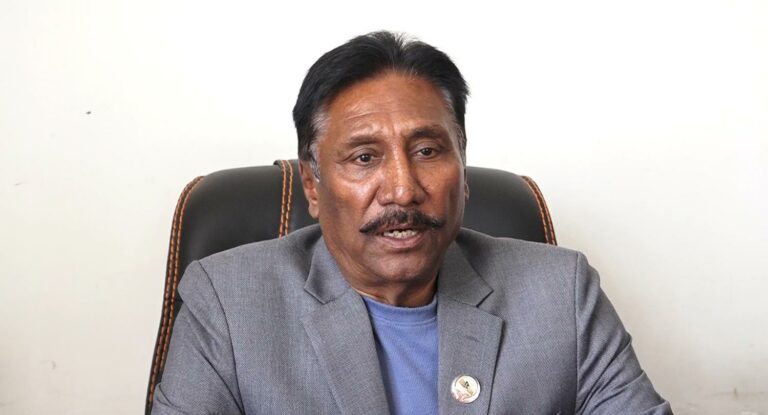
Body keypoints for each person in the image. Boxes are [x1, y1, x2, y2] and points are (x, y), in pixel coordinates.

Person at [152, 31, 672, 414]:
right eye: (364, 158)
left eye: (427, 151)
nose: (402, 190)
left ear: (462, 170)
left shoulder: (561, 294)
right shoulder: (227, 303)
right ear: (311, 185)